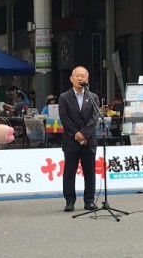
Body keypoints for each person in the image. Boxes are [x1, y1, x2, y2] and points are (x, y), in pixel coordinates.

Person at [58, 66, 99, 212]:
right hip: (71, 140)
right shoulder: (64, 97)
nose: (80, 78)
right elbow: (65, 119)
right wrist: (77, 134)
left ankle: (89, 200)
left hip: (88, 141)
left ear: (87, 80)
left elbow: (95, 118)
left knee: (89, 171)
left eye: (83, 76)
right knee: (70, 171)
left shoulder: (93, 97)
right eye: (77, 75)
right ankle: (69, 201)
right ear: (71, 78)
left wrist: (84, 135)